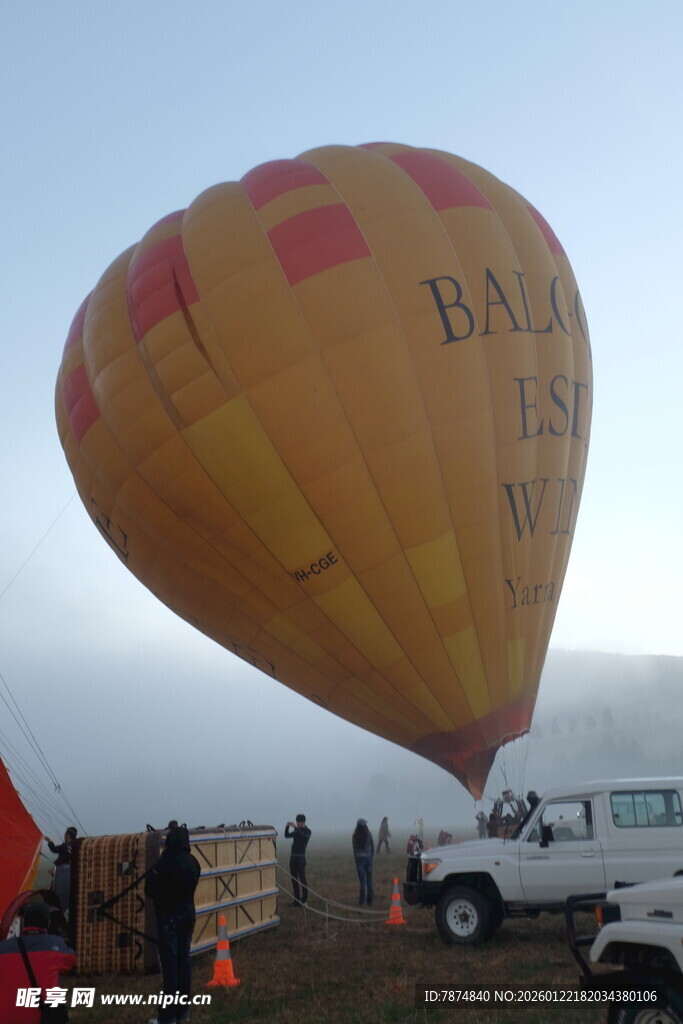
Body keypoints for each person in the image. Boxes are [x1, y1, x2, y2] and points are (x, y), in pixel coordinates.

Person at [144, 825, 200, 1024]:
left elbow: (149, 889)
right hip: (188, 915)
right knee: (184, 962)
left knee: (170, 967)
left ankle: (168, 1016)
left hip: (169, 917)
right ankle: (183, 1011)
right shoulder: (193, 862)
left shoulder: (166, 862)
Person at [0, 900, 76, 1024]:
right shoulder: (57, 945)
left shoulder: (2, 948)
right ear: (48, 923)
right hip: (43, 1018)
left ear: (23, 923)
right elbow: (72, 961)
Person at [284, 814, 311, 906]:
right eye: (297, 822)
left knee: (302, 880)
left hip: (301, 858)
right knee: (294, 880)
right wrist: (287, 827)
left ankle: (304, 900)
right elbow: (287, 835)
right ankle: (296, 900)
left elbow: (304, 837)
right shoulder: (296, 831)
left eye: (299, 822)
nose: (297, 824)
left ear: (303, 822)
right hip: (293, 858)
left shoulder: (308, 831)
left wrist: (297, 829)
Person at [352, 818, 374, 906]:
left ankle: (361, 902)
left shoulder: (354, 836)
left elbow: (354, 850)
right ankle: (370, 901)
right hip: (368, 858)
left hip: (359, 859)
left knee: (362, 882)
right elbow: (372, 847)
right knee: (369, 881)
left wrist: (356, 859)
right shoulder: (369, 834)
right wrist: (371, 856)